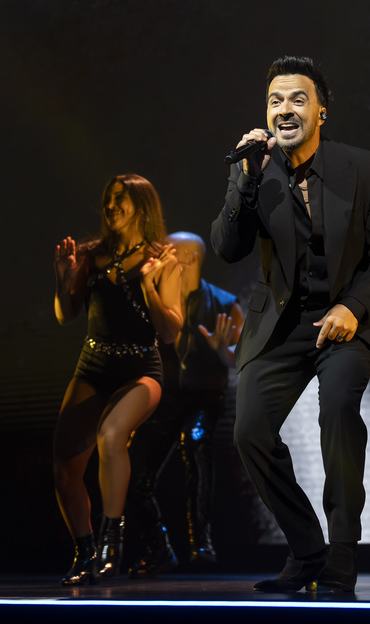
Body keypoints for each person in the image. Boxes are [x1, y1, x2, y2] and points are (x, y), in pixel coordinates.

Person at [211, 55, 370, 593]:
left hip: (345, 319)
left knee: (339, 411)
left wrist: (352, 309)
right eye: (275, 100)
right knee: (250, 430)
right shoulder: (253, 171)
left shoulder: (363, 168)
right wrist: (246, 180)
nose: (284, 108)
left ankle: (343, 552)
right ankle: (307, 551)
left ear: (322, 112)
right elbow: (228, 248)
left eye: (297, 98)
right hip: (280, 323)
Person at [52, 174, 182, 586]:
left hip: (141, 370)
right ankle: (86, 551)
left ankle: (113, 545)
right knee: (63, 468)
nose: (110, 206)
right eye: (107, 199)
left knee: (111, 435)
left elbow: (169, 332)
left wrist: (147, 284)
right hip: (93, 366)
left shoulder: (163, 260)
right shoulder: (91, 256)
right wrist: (63, 279)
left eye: (120, 199)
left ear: (141, 205)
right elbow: (65, 314)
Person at [125, 231, 243, 577]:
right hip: (163, 396)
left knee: (195, 441)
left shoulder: (224, 303)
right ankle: (157, 546)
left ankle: (200, 538)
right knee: (133, 470)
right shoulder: (154, 300)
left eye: (167, 252)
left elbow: (244, 354)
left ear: (188, 258)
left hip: (204, 394)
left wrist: (224, 352)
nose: (158, 257)